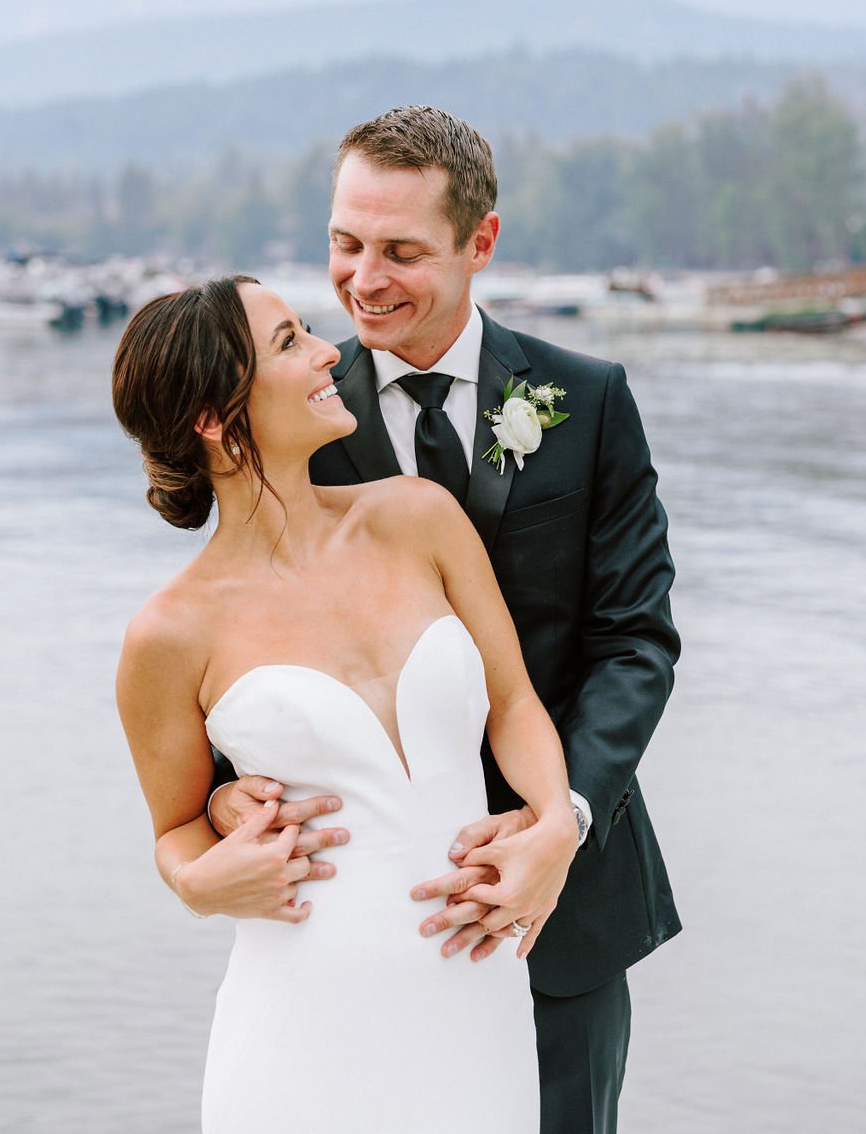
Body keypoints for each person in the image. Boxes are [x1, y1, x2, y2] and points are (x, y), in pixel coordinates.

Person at [208, 106, 682, 1134]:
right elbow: (232, 635)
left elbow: (634, 638)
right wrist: (223, 800)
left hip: (563, 908)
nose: (363, 280)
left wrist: (566, 820)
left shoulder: (585, 399)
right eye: (344, 242)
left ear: (482, 243)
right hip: (358, 917)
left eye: (402, 251)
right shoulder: (288, 413)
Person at [112, 275, 578, 1134]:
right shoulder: (167, 635)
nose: (331, 352)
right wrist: (201, 883)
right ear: (214, 417)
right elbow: (176, 833)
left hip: (475, 1004)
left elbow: (513, 701)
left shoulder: (419, 516)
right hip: (302, 1030)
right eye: (290, 342)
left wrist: (555, 820)